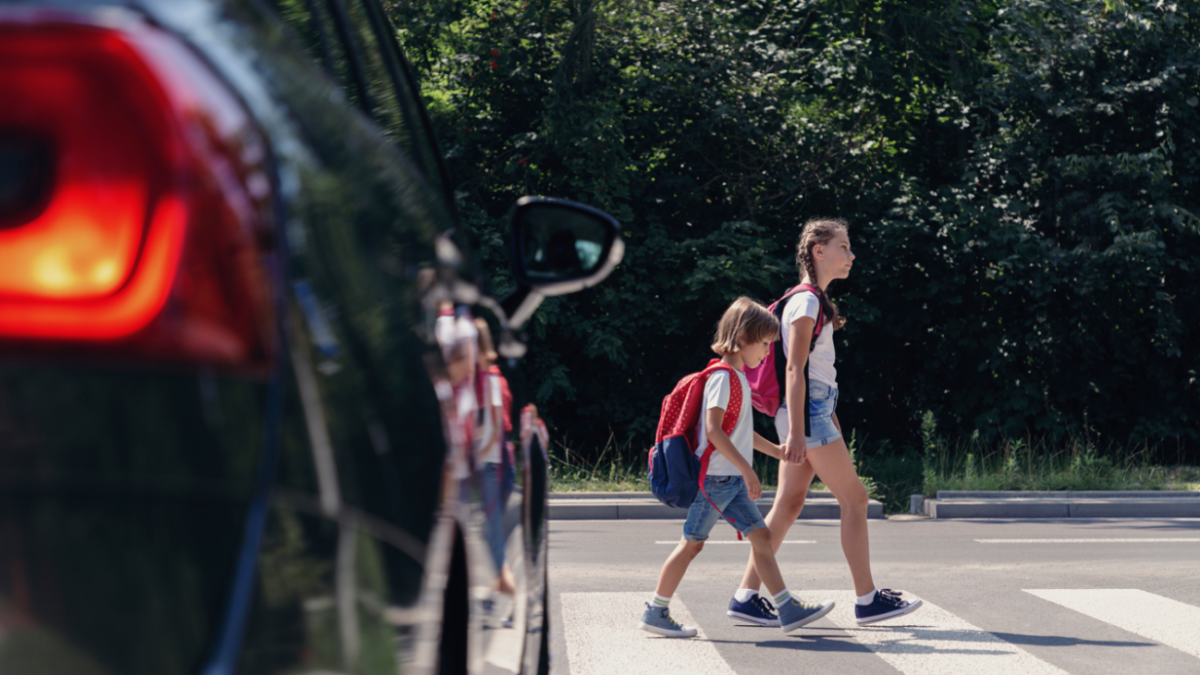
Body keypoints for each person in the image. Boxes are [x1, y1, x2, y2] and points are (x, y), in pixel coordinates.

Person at [730, 218, 923, 627]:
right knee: (854, 501)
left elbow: (812, 374)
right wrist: (801, 431)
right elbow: (795, 371)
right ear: (819, 251)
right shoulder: (807, 303)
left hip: (812, 410)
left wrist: (821, 418)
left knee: (788, 504)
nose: (851, 255)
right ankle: (867, 599)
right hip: (806, 412)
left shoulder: (810, 301)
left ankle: (746, 596)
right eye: (843, 247)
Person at [639, 297, 835, 638]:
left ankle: (786, 607)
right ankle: (656, 610)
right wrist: (748, 470)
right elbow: (714, 430)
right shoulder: (722, 377)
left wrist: (776, 451)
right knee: (692, 544)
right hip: (716, 480)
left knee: (761, 537)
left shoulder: (737, 378)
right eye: (763, 344)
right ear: (742, 337)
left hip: (726, 480)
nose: (765, 354)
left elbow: (739, 431)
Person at [475, 319, 519, 618]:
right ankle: (495, 597)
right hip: (497, 464)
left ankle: (512, 602)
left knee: (493, 540)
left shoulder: (488, 380)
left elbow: (491, 428)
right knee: (490, 537)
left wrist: (472, 453)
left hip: (490, 465)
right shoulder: (493, 377)